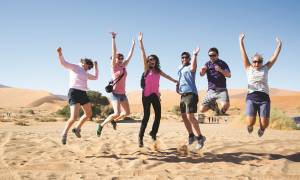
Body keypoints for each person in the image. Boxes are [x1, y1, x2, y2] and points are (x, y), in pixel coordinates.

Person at [138, 32, 178, 147]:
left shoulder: (158, 71)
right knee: (146, 117)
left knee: (158, 115)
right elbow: (142, 53)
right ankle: (140, 138)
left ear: (156, 61)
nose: (152, 61)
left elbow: (167, 76)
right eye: (150, 59)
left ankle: (153, 133)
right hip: (146, 95)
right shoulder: (146, 69)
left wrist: (175, 81)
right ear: (148, 61)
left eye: (154, 59)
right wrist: (141, 42)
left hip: (155, 95)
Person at [239, 33, 282, 137]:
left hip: (264, 98)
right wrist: (241, 41)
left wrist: (279, 45)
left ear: (262, 62)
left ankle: (262, 129)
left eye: (259, 62)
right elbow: (243, 54)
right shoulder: (248, 68)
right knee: (250, 122)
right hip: (251, 97)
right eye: (254, 61)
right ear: (252, 62)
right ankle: (249, 126)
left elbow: (274, 57)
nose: (256, 64)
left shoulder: (266, 68)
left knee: (265, 124)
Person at [57, 47, 98, 145]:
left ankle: (77, 129)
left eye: (90, 68)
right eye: (89, 67)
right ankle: (64, 133)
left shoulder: (85, 72)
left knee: (88, 114)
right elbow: (63, 63)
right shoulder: (75, 67)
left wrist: (96, 67)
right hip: (74, 92)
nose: (89, 69)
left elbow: (96, 77)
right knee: (74, 117)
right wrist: (60, 53)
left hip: (83, 93)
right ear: (85, 63)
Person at [97, 32, 135, 137]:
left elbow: (130, 56)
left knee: (127, 113)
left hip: (123, 94)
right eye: (119, 58)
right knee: (117, 112)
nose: (121, 59)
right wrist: (113, 38)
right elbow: (114, 52)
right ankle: (101, 125)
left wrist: (133, 46)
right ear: (115, 59)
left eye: (122, 58)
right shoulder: (114, 66)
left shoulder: (123, 66)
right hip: (114, 93)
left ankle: (113, 120)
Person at [178, 49, 206, 149]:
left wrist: (195, 55)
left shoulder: (190, 67)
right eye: (183, 57)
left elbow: (194, 67)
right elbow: (180, 79)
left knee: (190, 116)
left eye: (186, 57)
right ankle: (191, 135)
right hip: (183, 95)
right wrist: (178, 87)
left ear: (189, 59)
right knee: (184, 117)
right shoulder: (180, 68)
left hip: (191, 94)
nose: (184, 58)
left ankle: (200, 137)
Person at [199, 47, 231, 115]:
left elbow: (229, 75)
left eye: (214, 55)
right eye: (210, 55)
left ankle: (220, 113)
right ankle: (215, 107)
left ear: (217, 55)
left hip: (222, 89)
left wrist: (220, 70)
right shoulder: (207, 64)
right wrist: (202, 71)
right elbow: (201, 74)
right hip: (211, 90)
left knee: (225, 105)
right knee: (201, 109)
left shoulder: (222, 63)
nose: (212, 57)